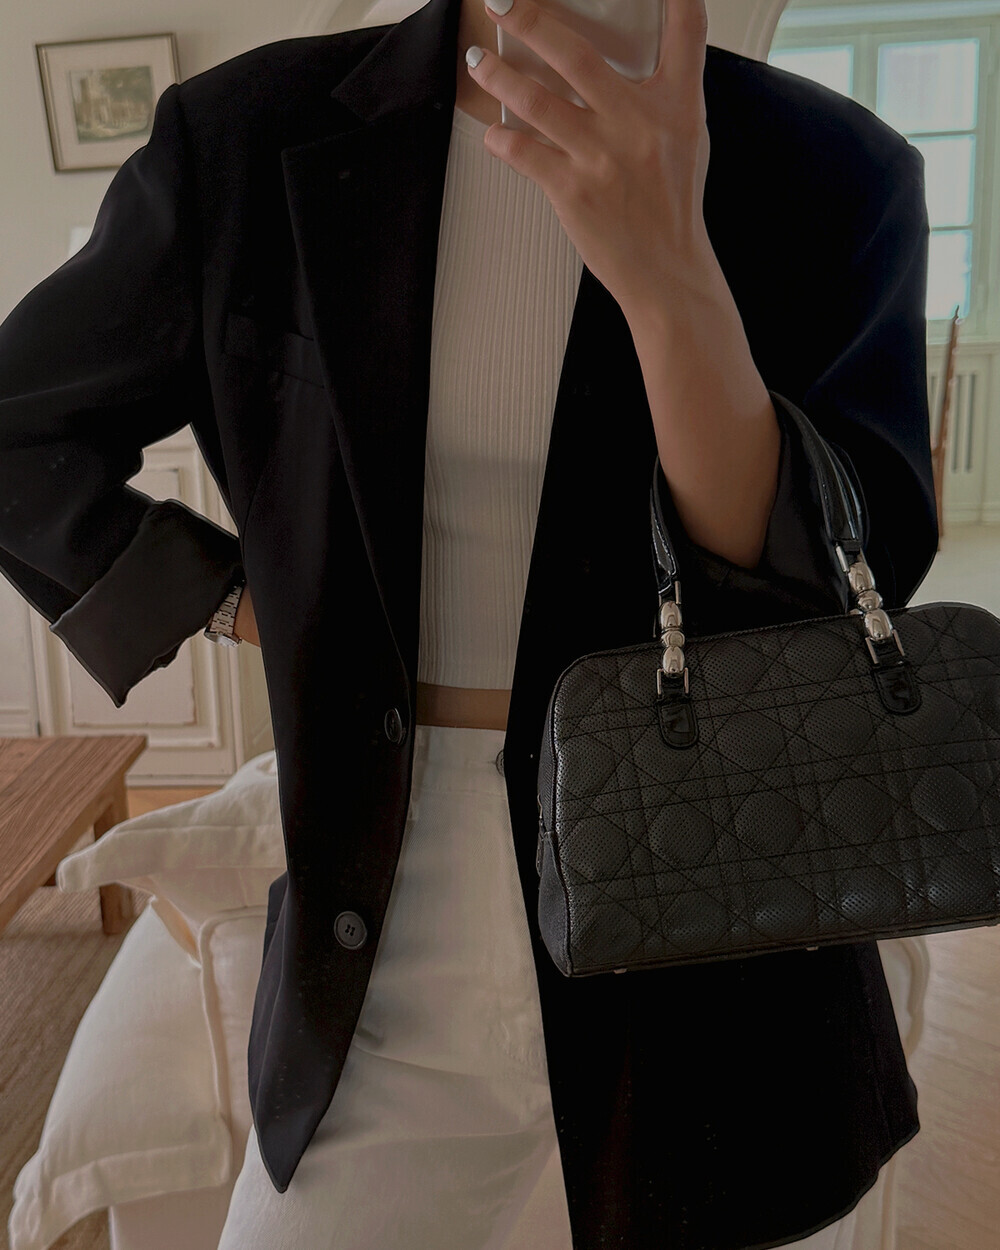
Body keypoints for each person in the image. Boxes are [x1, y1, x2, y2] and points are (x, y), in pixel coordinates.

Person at [0, 0, 936, 1245]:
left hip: (719, 908)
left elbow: (839, 591)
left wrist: (671, 278)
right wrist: (237, 601)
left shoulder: (838, 171)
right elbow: (20, 434)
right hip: (388, 888)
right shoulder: (247, 138)